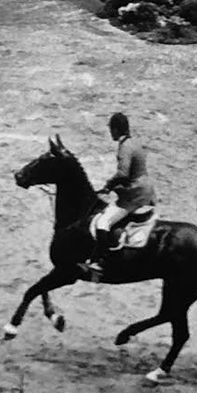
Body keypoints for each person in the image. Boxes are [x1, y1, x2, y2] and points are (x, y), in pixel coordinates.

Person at [83, 112, 155, 281]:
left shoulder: (125, 147)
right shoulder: (135, 142)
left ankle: (101, 262)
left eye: (111, 129)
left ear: (115, 129)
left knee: (102, 222)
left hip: (135, 195)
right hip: (146, 190)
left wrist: (108, 187)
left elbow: (122, 174)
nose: (110, 133)